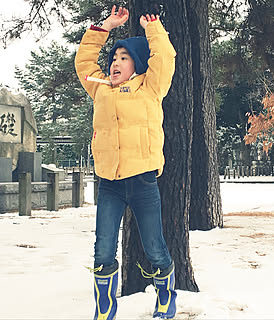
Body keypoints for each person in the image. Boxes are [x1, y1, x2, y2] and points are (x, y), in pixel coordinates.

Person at [75, 5, 177, 320]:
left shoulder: (150, 87)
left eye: (123, 58)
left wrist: (154, 31)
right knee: (103, 250)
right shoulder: (101, 88)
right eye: (113, 58)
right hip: (109, 183)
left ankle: (166, 300)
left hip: (143, 181)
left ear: (136, 64)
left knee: (155, 248)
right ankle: (104, 310)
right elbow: (83, 62)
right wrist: (105, 26)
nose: (116, 63)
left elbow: (165, 59)